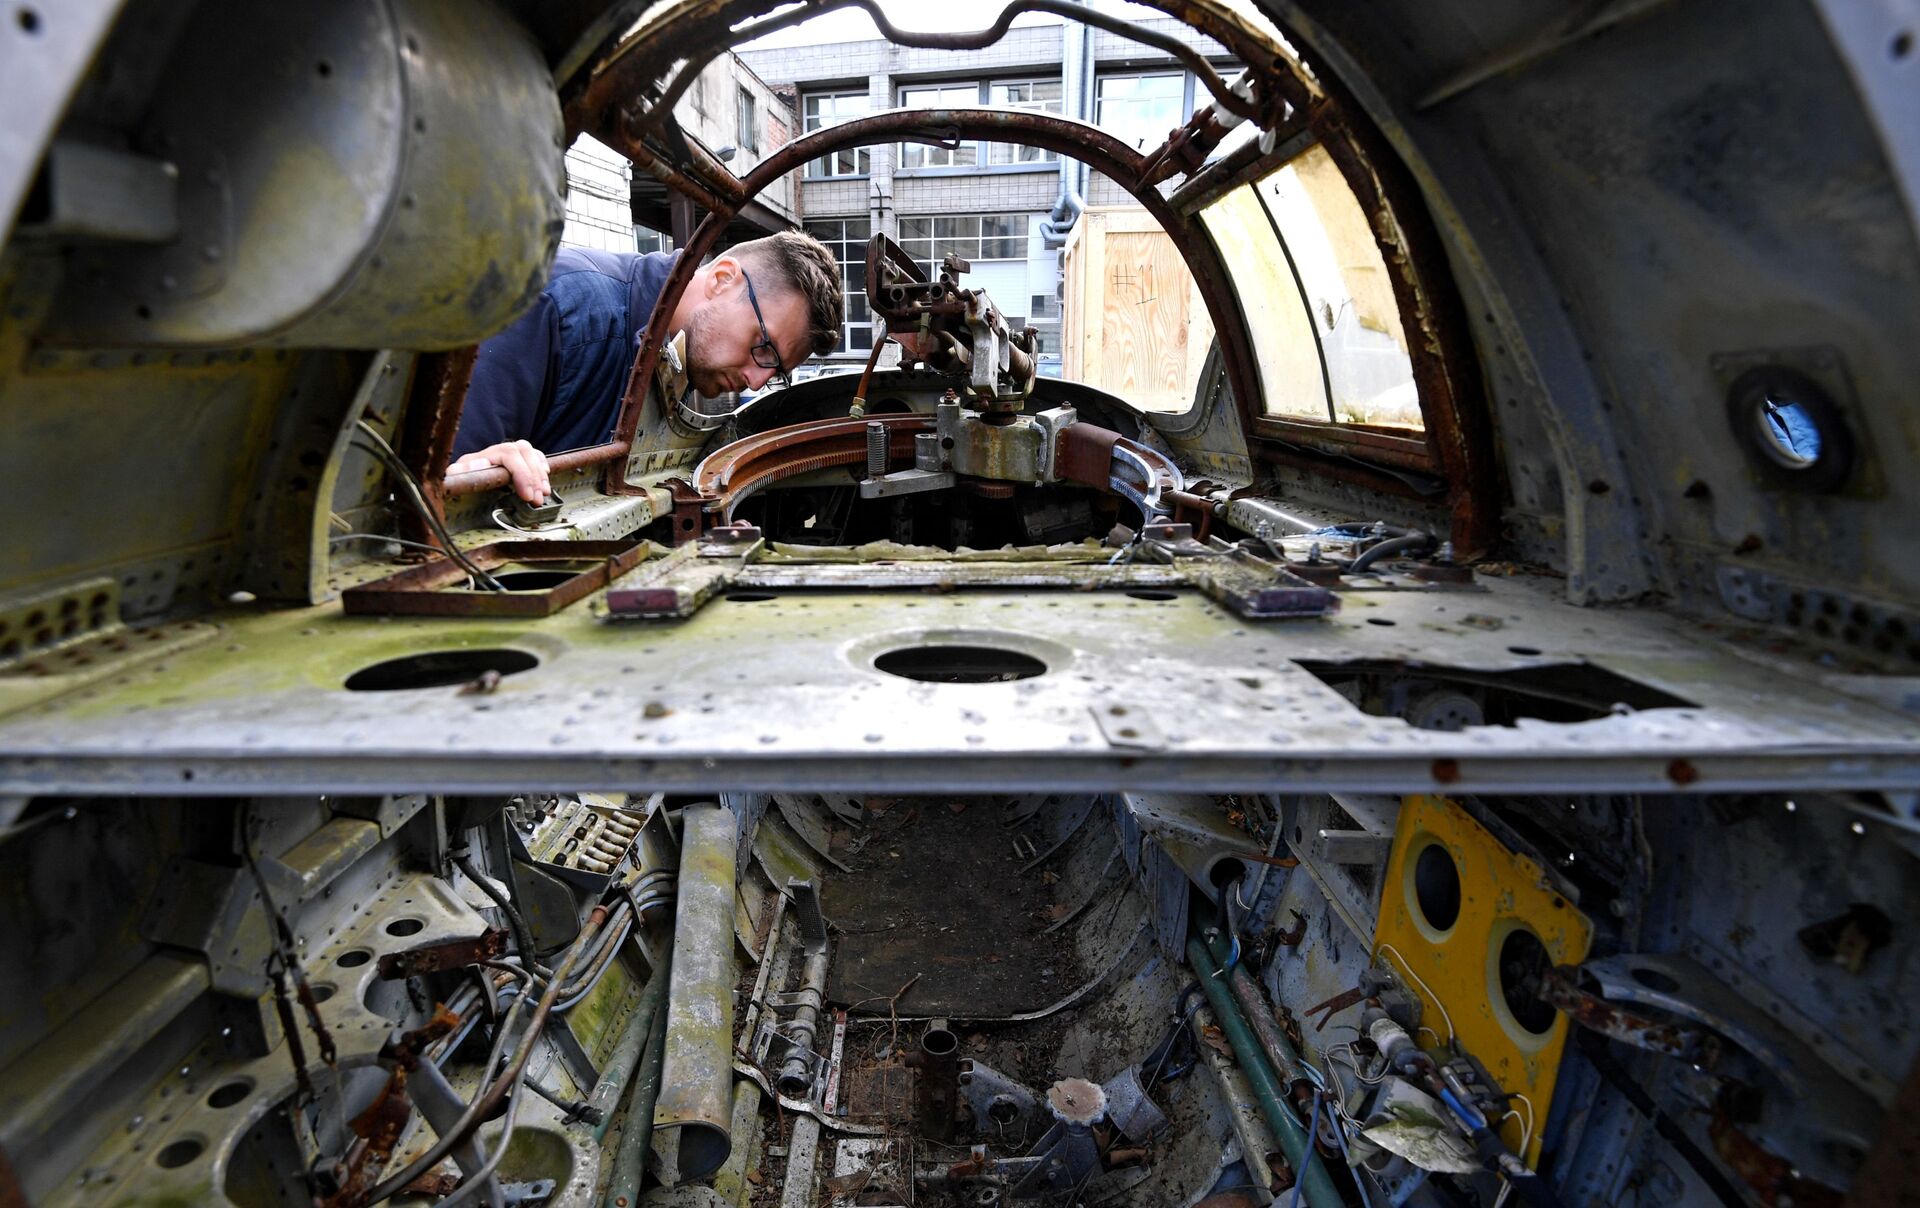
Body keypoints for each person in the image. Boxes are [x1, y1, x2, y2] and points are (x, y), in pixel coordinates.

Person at [447, 230, 844, 502]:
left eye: (776, 372)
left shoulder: (683, 368)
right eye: (763, 348)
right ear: (723, 279)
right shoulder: (557, 304)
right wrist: (473, 469)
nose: (756, 383)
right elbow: (436, 485)